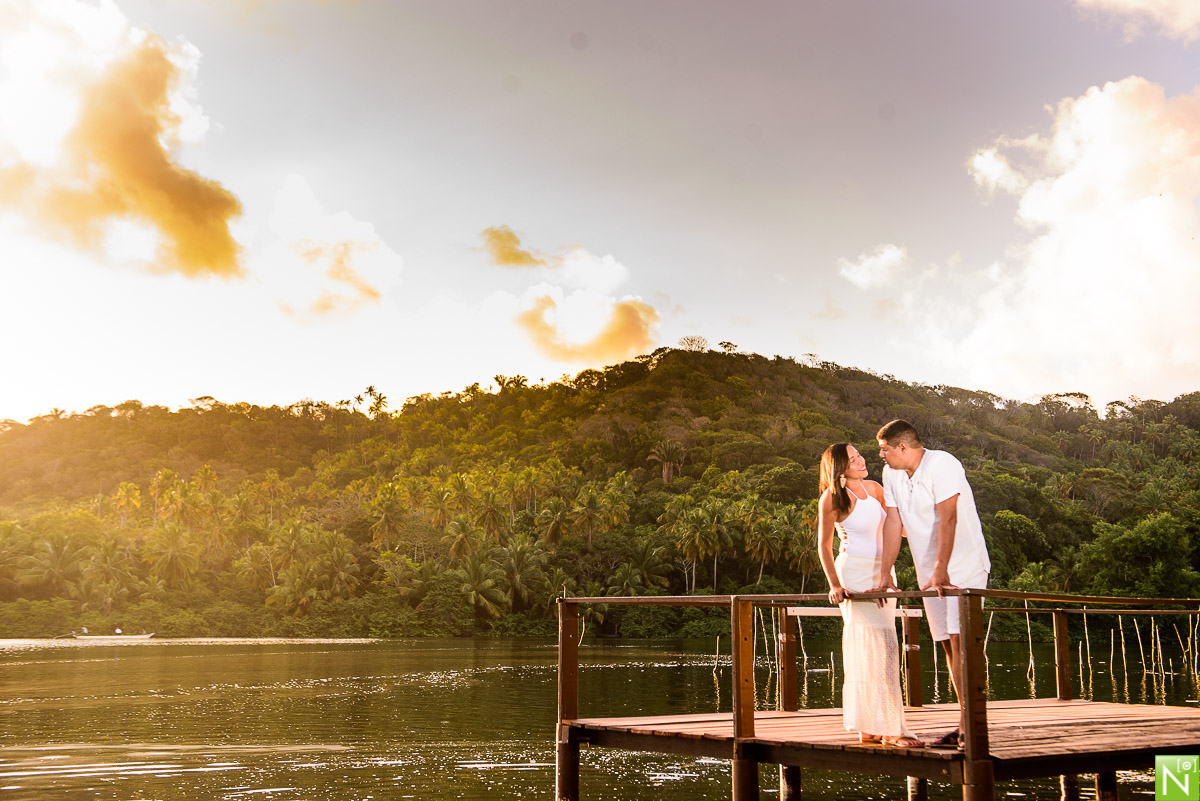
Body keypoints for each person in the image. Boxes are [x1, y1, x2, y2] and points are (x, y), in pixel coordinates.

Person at [874, 419, 991, 747]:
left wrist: (943, 568)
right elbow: (894, 523)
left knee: (962, 642)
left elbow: (948, 517)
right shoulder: (891, 475)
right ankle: (965, 720)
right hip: (930, 573)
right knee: (946, 642)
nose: (881, 455)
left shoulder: (943, 463)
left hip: (963, 567)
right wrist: (886, 573)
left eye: (884, 449)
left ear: (902, 447)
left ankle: (972, 725)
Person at [817, 442, 924, 748]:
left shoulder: (876, 489)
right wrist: (835, 585)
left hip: (883, 573)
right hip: (854, 575)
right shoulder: (833, 498)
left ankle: (873, 727)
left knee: (884, 646)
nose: (861, 460)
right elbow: (824, 546)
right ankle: (889, 729)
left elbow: (897, 527)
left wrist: (927, 522)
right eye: (853, 459)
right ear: (839, 467)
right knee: (875, 647)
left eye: (860, 455)